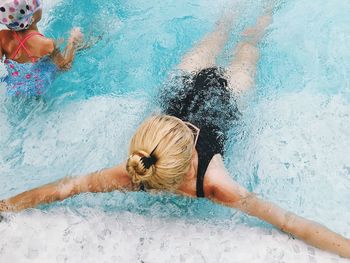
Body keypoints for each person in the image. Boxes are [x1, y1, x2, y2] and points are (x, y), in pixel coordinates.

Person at [1, 4, 350, 259]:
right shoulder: (202, 181)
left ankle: (240, 9)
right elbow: (291, 222)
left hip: (191, 91)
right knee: (249, 43)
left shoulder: (137, 171)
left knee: (223, 36)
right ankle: (264, 9)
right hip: (218, 97)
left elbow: (66, 188)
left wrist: (8, 203)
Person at [0, 0, 84, 96]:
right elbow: (64, 66)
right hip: (38, 94)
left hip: (13, 92)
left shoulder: (2, 37)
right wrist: (72, 43)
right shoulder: (46, 44)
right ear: (31, 17)